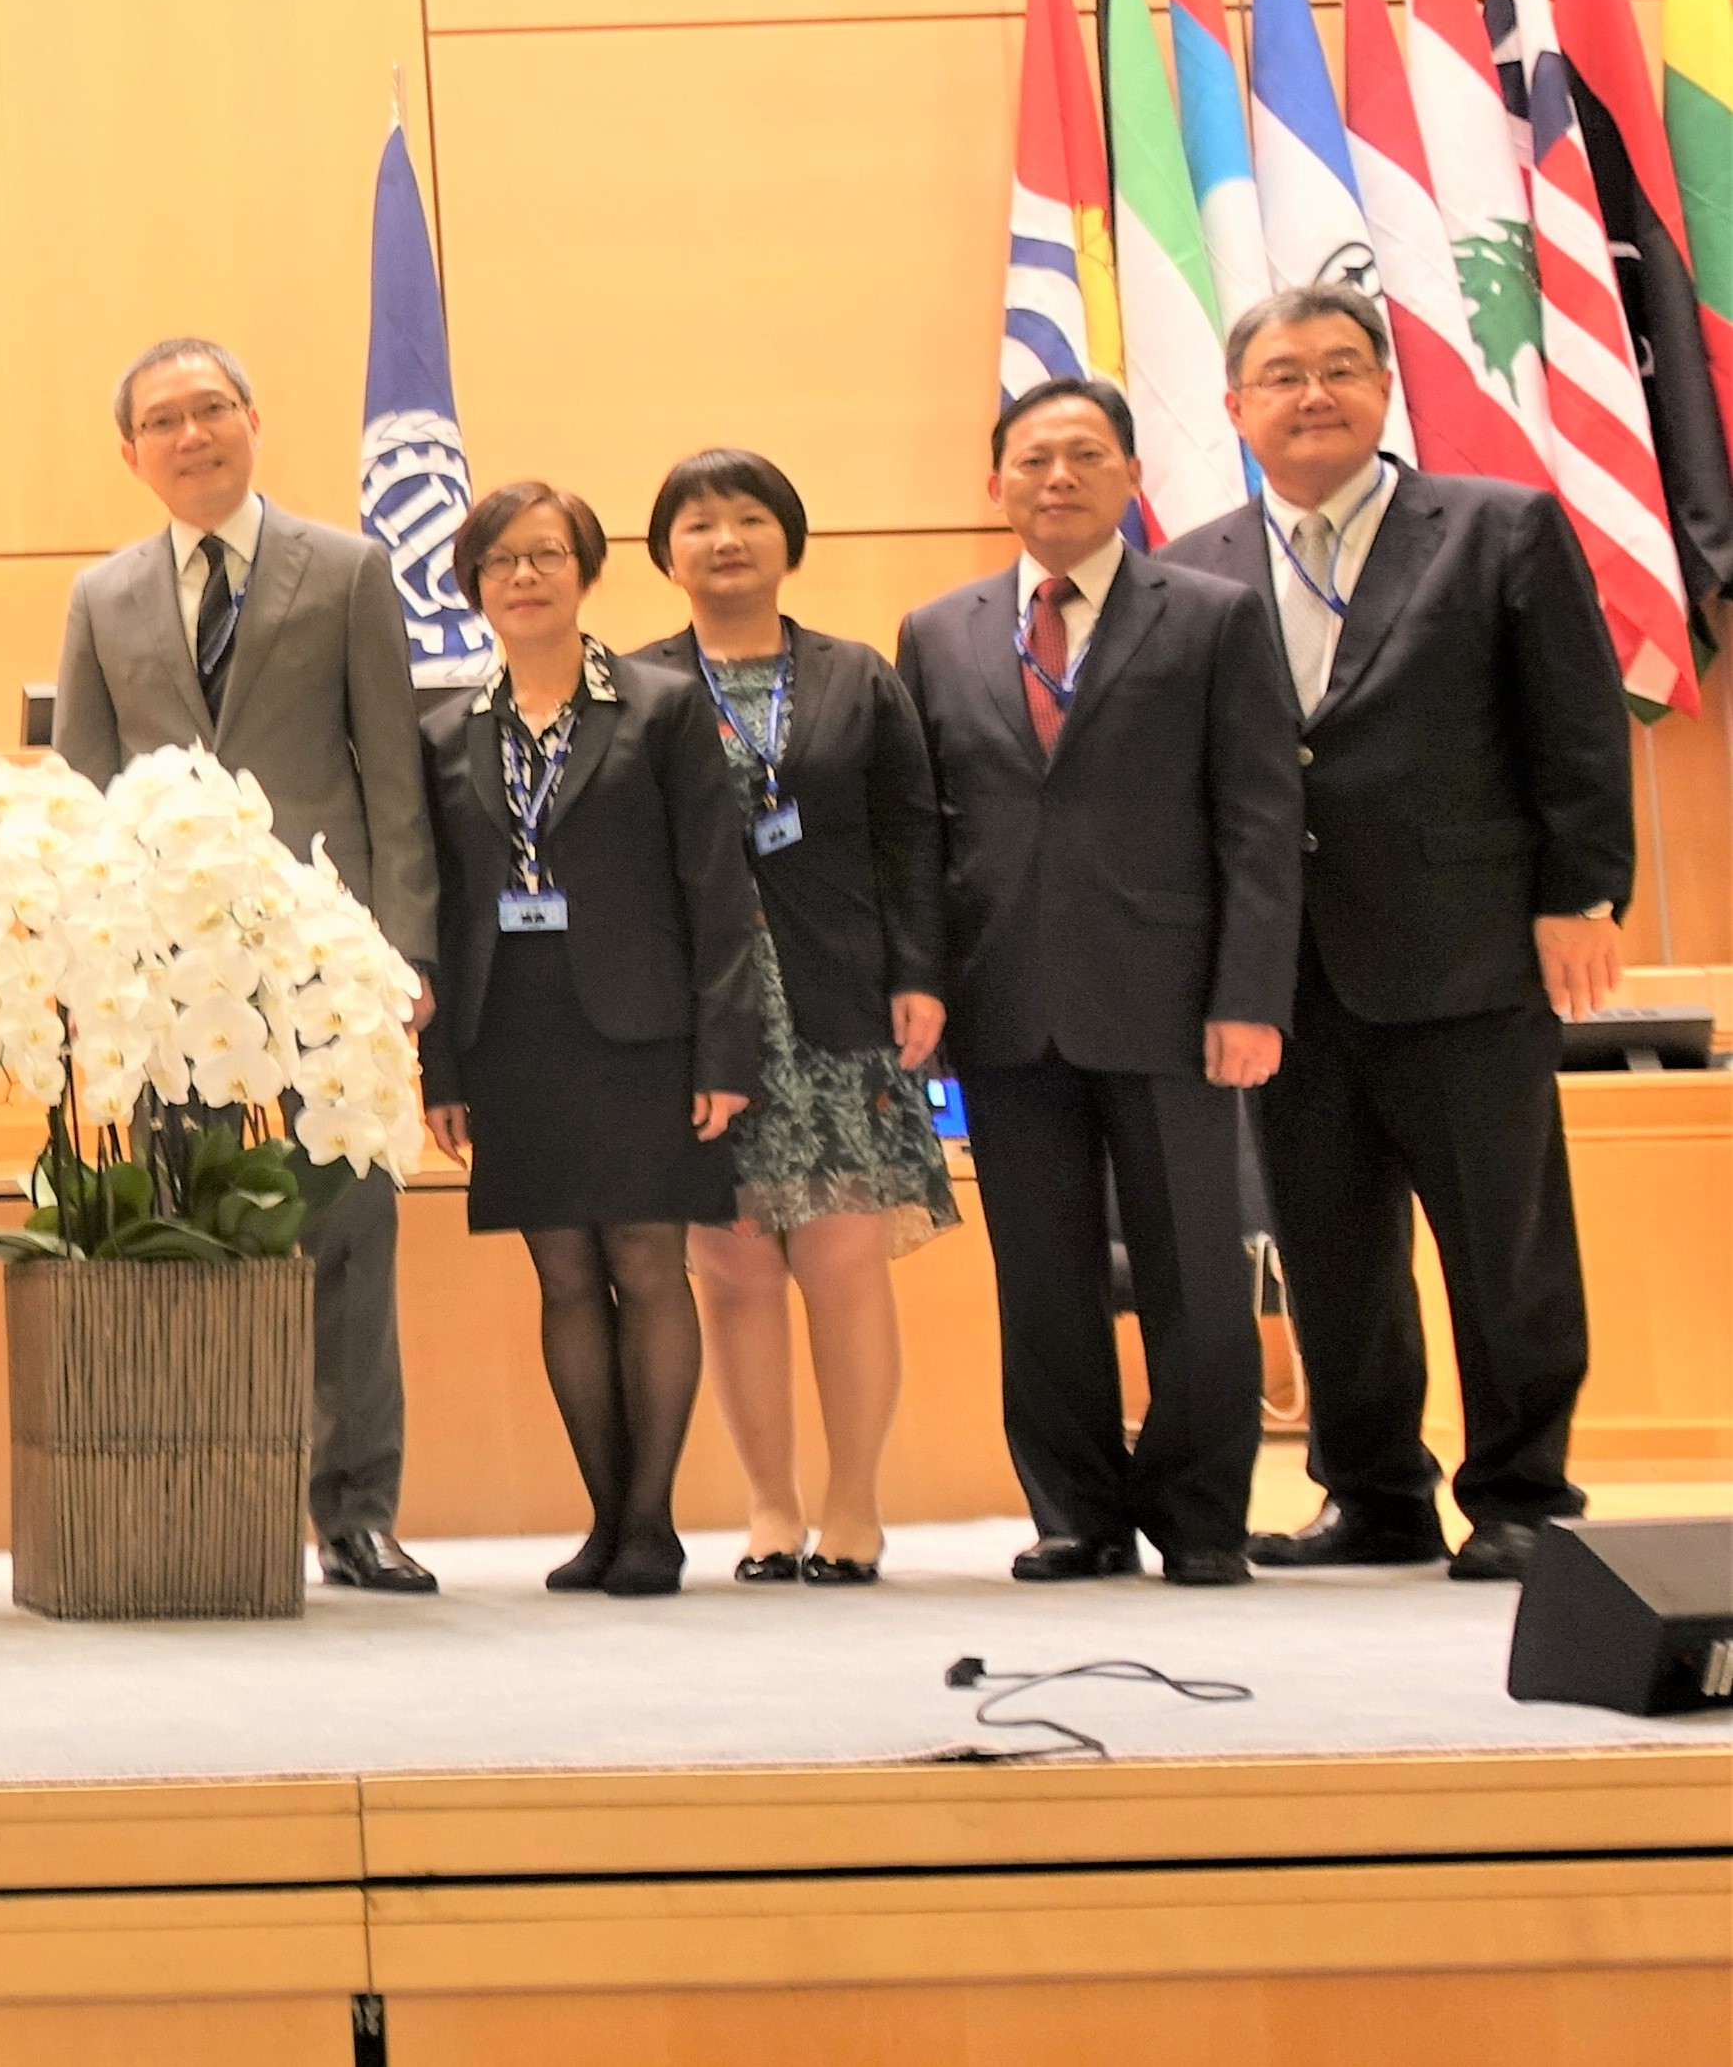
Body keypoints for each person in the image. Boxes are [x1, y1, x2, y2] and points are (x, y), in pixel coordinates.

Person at [1160, 284, 1629, 1584]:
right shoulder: (1189, 567)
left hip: (1467, 949)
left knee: (1505, 1242)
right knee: (1328, 1245)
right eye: (1284, 374)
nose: (1315, 393)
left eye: (1342, 368)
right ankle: (1375, 1495)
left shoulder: (1496, 529)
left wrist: (1579, 897)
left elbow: (1577, 731)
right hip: (1282, 973)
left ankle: (1524, 1490)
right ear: (1235, 406)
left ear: (1383, 389)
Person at [54, 336, 445, 1594]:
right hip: (167, 976)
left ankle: (357, 1509)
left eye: (210, 407)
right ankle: (203, 1498)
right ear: (131, 453)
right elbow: (82, 791)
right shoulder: (101, 598)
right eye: (162, 420)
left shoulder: (345, 570)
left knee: (348, 1229)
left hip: (326, 956)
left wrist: (403, 952)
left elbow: (394, 772)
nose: (191, 434)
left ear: (253, 418)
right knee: (186, 1227)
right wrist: (85, 958)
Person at [894, 376, 1299, 1584]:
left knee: (1194, 1274)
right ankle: (1074, 1512)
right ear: (995, 483)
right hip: (1005, 998)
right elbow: (918, 830)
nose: (1055, 477)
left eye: (1082, 455)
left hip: (1172, 998)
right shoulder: (939, 629)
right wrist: (920, 983)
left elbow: (1259, 819)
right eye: (1031, 458)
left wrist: (1249, 993)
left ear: (1128, 475)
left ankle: (1200, 1515)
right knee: (1044, 1278)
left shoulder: (1214, 614)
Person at [417, 482, 765, 1598]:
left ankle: (653, 1524)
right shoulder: (443, 730)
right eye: (501, 560)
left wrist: (725, 1054)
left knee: (646, 1264)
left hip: (644, 1033)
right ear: (472, 584)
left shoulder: (661, 707)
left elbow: (717, 891)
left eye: (546, 555)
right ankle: (602, 1517)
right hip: (512, 1036)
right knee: (563, 1273)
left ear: (585, 570)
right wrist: (443, 1068)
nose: (524, 575)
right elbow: (442, 911)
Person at [631, 448, 956, 1588]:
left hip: (840, 1001)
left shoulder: (856, 676)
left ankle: (853, 1507)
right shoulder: (630, 686)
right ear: (664, 551)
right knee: (728, 1268)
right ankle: (769, 1509)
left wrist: (919, 974)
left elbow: (912, 837)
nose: (726, 540)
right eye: (699, 522)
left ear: (789, 537)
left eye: (749, 517)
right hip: (698, 1018)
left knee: (845, 1259)